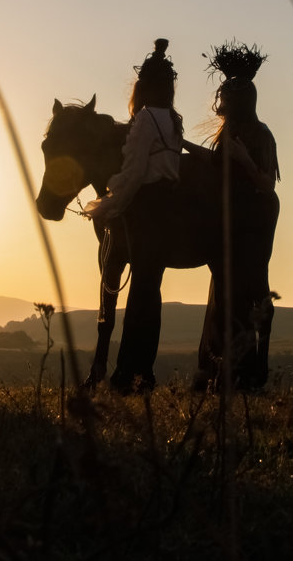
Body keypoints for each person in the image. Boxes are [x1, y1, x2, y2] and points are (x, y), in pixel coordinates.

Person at [85, 38, 182, 393]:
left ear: (142, 87)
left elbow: (136, 170)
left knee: (137, 293)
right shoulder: (173, 118)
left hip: (144, 208)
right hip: (169, 208)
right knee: (149, 292)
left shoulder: (144, 119)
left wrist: (110, 204)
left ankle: (124, 374)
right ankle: (145, 372)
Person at [188, 42, 279, 390]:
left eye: (225, 96)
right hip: (231, 225)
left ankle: (243, 375)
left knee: (241, 296)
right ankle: (218, 372)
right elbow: (214, 161)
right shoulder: (231, 134)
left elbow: (266, 184)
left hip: (251, 227)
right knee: (224, 297)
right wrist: (183, 144)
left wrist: (242, 158)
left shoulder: (259, 134)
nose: (220, 101)